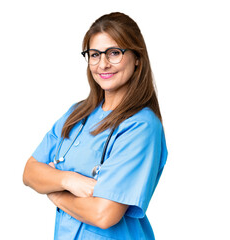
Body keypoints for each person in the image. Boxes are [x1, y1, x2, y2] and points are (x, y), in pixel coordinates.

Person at [23, 12, 168, 239]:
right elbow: (30, 171)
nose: (103, 64)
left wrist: (56, 194)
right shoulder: (76, 114)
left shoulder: (141, 126)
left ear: (137, 57)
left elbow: (104, 214)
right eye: (95, 54)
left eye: (114, 53)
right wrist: (68, 181)